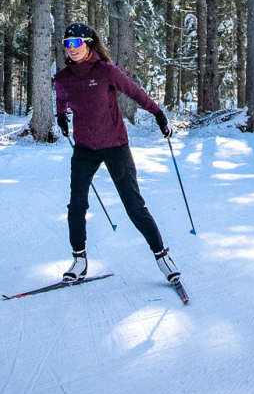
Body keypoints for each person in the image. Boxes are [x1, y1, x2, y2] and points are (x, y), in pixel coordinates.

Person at [53, 22, 181, 285]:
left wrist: (158, 114)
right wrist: (61, 116)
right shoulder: (63, 77)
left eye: (76, 43)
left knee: (134, 205)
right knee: (76, 205)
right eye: (67, 44)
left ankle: (162, 256)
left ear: (88, 44)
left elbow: (135, 93)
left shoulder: (106, 72)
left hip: (115, 146)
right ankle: (79, 260)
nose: (71, 49)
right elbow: (62, 97)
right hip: (84, 149)